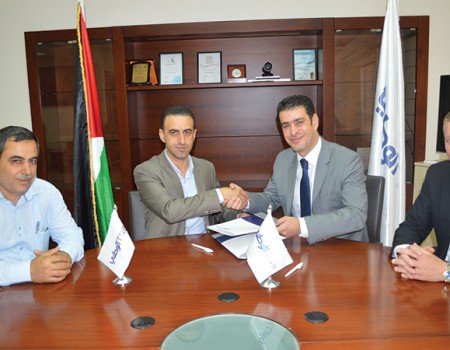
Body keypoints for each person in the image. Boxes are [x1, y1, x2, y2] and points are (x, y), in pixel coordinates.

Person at [231, 94, 368, 244]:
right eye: (286, 126)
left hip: (339, 246)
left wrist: (302, 226)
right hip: (296, 246)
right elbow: (271, 199)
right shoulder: (283, 159)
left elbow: (356, 215)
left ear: (314, 122)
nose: (293, 132)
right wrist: (245, 199)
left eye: (299, 122)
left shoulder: (347, 160)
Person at [133, 105, 249, 239]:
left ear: (194, 135)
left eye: (187, 132)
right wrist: (220, 194)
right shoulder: (145, 171)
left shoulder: (206, 168)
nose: (182, 141)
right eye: (174, 132)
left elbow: (217, 208)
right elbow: (170, 211)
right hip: (165, 251)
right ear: (162, 135)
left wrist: (238, 214)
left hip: (205, 246)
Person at [0, 126, 84, 287]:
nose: (28, 171)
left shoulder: (46, 192)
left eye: (33, 161)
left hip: (42, 290)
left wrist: (65, 256)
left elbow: (72, 236)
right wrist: (29, 270)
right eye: (16, 161)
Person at [391, 112, 450, 283]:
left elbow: (442, 270)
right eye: (449, 140)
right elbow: (413, 225)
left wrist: (445, 271)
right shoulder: (438, 175)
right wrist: (406, 253)